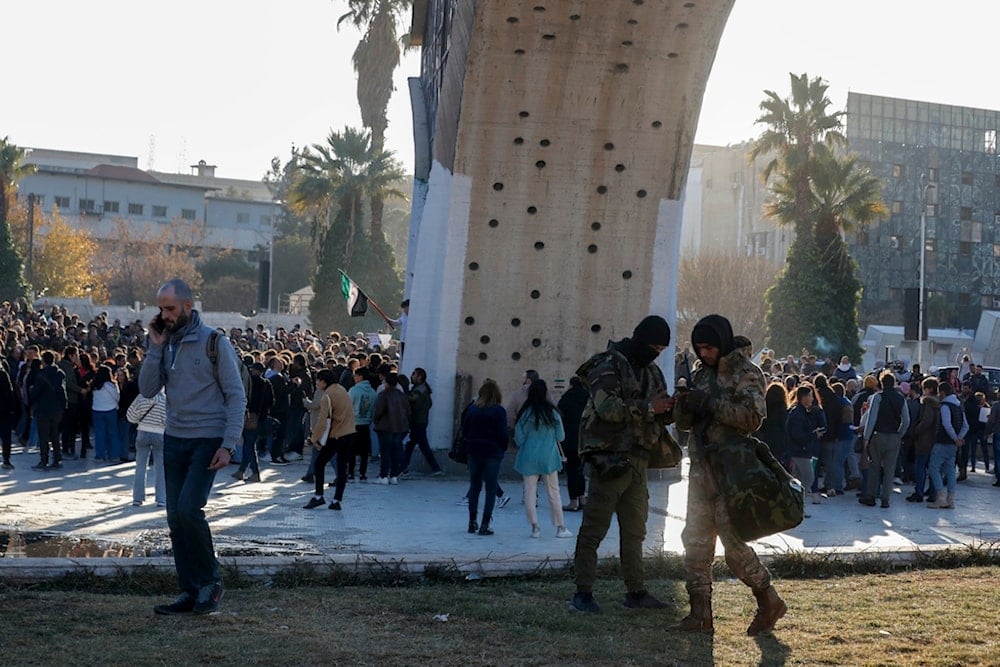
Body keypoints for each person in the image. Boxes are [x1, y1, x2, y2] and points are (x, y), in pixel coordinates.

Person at [139, 278, 247, 615]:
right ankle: (189, 591)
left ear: (188, 305)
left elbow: (236, 395)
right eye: (160, 309)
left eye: (170, 308)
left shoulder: (215, 342)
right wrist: (155, 347)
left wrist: (228, 445)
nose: (164, 315)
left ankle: (210, 584)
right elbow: (146, 389)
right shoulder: (165, 343)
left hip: (208, 438)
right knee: (174, 517)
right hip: (174, 437)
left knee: (188, 509)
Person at [673, 314, 785, 636]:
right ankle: (700, 616)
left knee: (734, 548)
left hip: (733, 474)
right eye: (699, 348)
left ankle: (769, 600)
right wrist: (685, 406)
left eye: (709, 347)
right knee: (694, 546)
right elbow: (685, 425)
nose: (703, 353)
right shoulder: (700, 373)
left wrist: (710, 403)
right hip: (700, 473)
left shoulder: (747, 373)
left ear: (721, 343)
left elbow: (751, 418)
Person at [572, 315, 675, 614]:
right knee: (594, 529)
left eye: (661, 349)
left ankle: (636, 592)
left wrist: (671, 409)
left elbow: (656, 411)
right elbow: (607, 408)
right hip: (609, 460)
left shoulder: (652, 372)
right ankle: (583, 594)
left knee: (635, 532)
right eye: (654, 346)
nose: (657, 352)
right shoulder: (607, 364)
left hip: (638, 462)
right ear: (642, 340)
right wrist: (648, 408)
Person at [514, 379, 573, 539]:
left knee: (530, 492)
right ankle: (560, 527)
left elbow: (518, 438)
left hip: (528, 457)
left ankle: (535, 527)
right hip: (549, 457)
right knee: (554, 492)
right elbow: (560, 436)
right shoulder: (553, 413)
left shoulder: (525, 414)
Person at [301, 369, 356, 511]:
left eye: (318, 380)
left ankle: (319, 496)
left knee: (319, 464)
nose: (317, 383)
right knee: (342, 467)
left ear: (324, 382)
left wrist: (313, 439)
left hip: (335, 435)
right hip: (349, 433)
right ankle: (337, 500)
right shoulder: (342, 390)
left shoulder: (327, 396)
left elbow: (322, 421)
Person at [462, 379, 508, 535]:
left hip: (474, 451)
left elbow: (465, 430)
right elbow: (503, 433)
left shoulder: (472, 410)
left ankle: (471, 521)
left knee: (474, 487)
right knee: (490, 488)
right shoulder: (499, 411)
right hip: (492, 453)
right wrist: (502, 448)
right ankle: (485, 524)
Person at [860, 371, 910, 508]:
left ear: (881, 383)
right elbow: (906, 420)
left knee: (874, 467)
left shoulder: (878, 397)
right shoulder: (901, 398)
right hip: (894, 436)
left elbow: (872, 418)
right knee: (890, 469)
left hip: (878, 435)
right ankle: (885, 499)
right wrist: (899, 434)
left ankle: (870, 495)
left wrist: (866, 437)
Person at [927, 382, 968, 508]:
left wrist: (955, 438)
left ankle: (940, 496)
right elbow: (966, 425)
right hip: (953, 445)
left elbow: (946, 424)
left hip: (943, 442)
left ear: (943, 392)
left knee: (933, 468)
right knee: (950, 470)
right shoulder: (958, 405)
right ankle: (951, 499)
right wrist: (959, 438)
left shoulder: (945, 406)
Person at [785, 384, 826, 507]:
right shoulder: (798, 414)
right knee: (808, 478)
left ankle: (794, 505)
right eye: (810, 396)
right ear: (804, 397)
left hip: (799, 450)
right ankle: (797, 503)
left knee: (797, 479)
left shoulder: (800, 412)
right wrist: (814, 435)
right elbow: (798, 436)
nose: (812, 399)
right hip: (800, 451)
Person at [126, 388, 167, 507]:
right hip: (160, 434)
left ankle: (137, 498)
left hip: (143, 432)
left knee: (140, 466)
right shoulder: (165, 400)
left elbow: (131, 415)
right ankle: (161, 499)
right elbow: (168, 420)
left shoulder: (143, 397)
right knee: (160, 467)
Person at [28, 350, 67, 471]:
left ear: (43, 361)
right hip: (57, 410)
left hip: (43, 409)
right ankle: (57, 458)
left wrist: (31, 390)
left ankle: (44, 460)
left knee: (43, 436)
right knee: (55, 434)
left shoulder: (41, 375)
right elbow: (63, 392)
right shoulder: (60, 373)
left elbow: (35, 393)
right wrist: (63, 407)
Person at [402, 367, 444, 476]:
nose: (412, 376)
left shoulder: (420, 389)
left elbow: (412, 399)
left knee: (422, 446)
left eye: (414, 374)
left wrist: (404, 389)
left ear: (420, 376)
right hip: (419, 421)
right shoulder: (421, 388)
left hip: (418, 421)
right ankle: (404, 466)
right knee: (411, 444)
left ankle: (435, 468)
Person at [557, 375, 589, 512]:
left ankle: (573, 501)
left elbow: (559, 416)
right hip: (585, 439)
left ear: (571, 384)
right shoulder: (588, 396)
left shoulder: (566, 397)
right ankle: (582, 498)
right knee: (580, 470)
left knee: (571, 471)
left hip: (569, 440)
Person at [372, 372, 410, 484]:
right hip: (400, 427)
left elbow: (378, 411)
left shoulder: (383, 395)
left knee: (385, 452)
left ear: (386, 383)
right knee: (395, 451)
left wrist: (376, 421)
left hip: (385, 427)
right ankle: (394, 475)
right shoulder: (402, 395)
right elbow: (408, 411)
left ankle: (383, 476)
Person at [908, 377, 940, 503]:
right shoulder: (939, 403)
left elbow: (926, 421)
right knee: (932, 467)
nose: (923, 391)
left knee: (920, 466)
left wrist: (916, 430)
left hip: (924, 440)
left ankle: (919, 492)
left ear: (929, 389)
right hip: (934, 440)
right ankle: (933, 492)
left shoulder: (928, 403)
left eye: (924, 388)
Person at [347, 366, 377, 481]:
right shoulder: (373, 392)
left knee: (351, 450)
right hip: (366, 424)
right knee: (364, 452)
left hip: (354, 423)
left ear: (360, 376)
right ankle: (362, 473)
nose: (354, 377)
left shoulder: (354, 390)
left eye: (355, 375)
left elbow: (347, 406)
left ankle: (350, 473)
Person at [91, 364, 121, 462]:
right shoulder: (111, 385)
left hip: (97, 410)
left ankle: (100, 455)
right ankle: (114, 455)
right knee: (113, 433)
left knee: (99, 434)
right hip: (110, 410)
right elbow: (117, 397)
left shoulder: (95, 385)